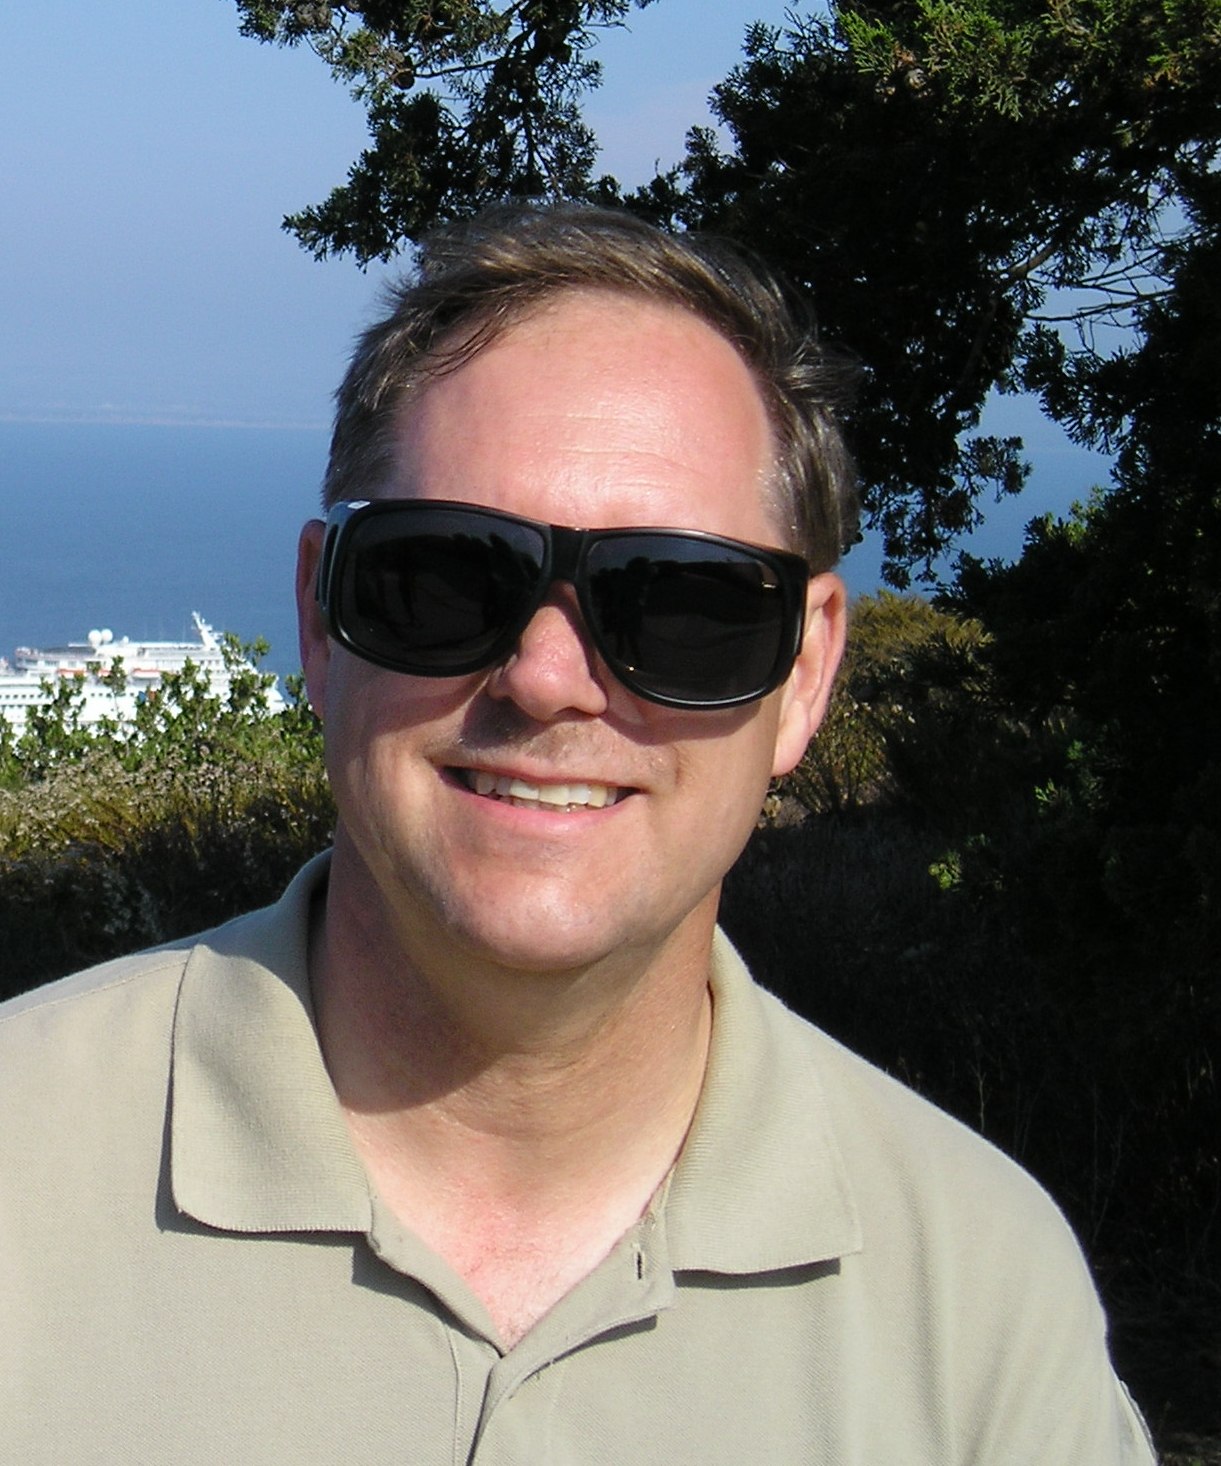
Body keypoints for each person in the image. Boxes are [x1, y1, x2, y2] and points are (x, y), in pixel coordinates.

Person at [0, 203, 1153, 1463]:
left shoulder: (980, 1304)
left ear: (807, 674)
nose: (548, 678)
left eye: (682, 602)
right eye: (447, 575)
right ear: (322, 623)